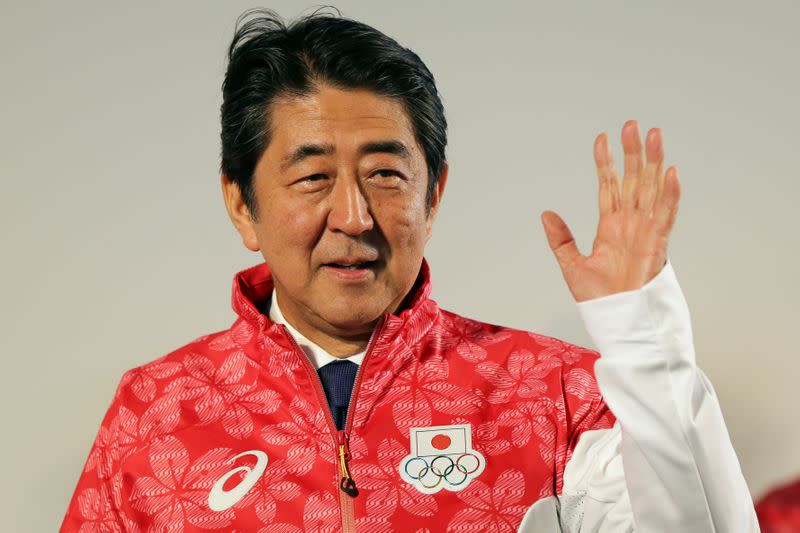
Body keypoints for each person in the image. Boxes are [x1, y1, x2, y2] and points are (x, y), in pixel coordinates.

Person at [60, 8, 760, 532]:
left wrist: (642, 340)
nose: (355, 215)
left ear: (435, 193)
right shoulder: (155, 415)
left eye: (386, 173)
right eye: (312, 178)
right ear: (241, 204)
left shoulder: (557, 396)